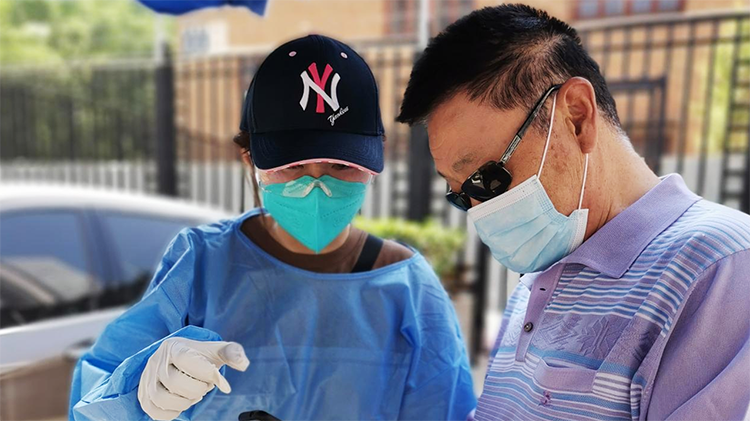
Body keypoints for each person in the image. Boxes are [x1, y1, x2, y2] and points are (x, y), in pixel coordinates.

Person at [69, 34, 476, 421]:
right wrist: (137, 389)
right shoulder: (200, 265)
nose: (317, 183)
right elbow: (94, 400)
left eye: (340, 165)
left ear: (374, 162)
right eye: (293, 166)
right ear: (250, 159)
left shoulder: (409, 292)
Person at [397, 5, 750, 421]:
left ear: (577, 117)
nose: (479, 212)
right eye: (460, 196)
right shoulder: (540, 274)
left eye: (485, 181)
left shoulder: (721, 267)